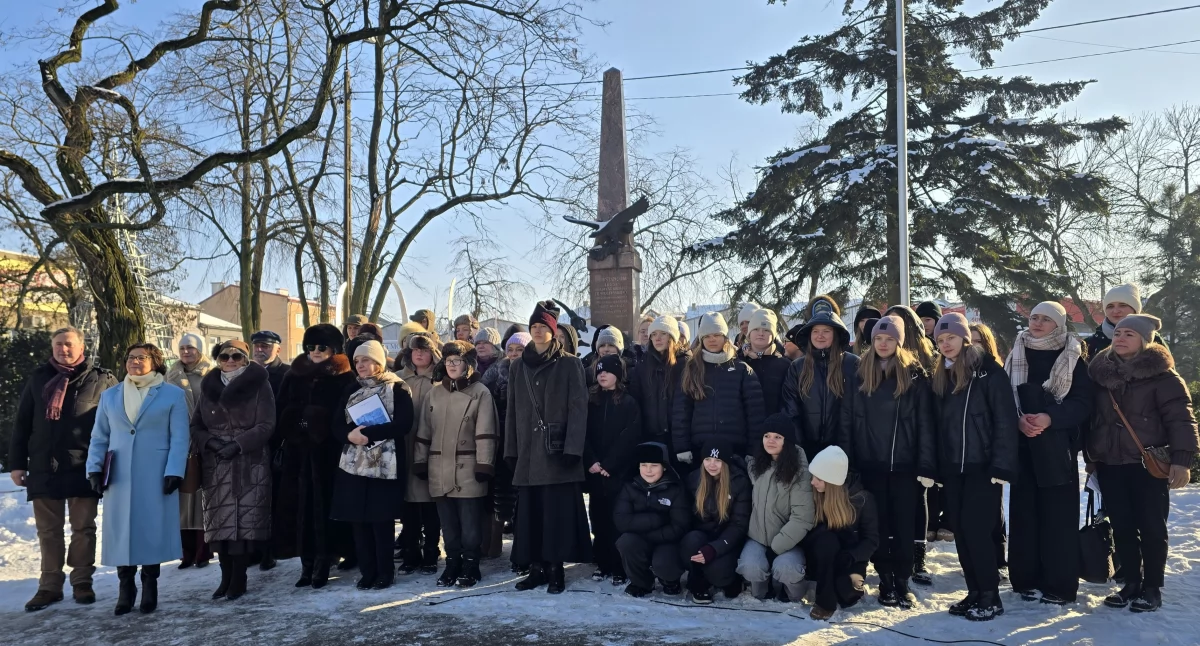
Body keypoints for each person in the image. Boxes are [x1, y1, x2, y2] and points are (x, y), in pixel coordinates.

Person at [1085, 314, 1197, 613]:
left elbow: (1181, 420)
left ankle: (1151, 588)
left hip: (1147, 464)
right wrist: (1092, 456)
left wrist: (1182, 461)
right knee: (1121, 527)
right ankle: (1130, 583)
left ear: (1145, 341)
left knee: (1151, 527)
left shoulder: (1165, 378)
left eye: (1129, 334)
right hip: (1110, 463)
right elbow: (1092, 420)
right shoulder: (1099, 376)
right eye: (1118, 332)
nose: (1120, 338)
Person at [10, 326, 116, 611]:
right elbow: (22, 424)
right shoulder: (38, 378)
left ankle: (82, 582)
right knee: (48, 531)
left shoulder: (101, 380)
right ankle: (49, 586)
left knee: (83, 528)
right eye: (58, 345)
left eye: (68, 344)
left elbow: (116, 424)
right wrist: (18, 464)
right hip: (44, 466)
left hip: (84, 466)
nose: (63, 349)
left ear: (81, 347)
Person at [839, 315, 935, 608]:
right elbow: (847, 422)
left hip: (904, 466)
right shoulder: (859, 372)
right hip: (870, 465)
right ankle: (885, 580)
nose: (883, 344)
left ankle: (903, 580)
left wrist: (926, 465)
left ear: (899, 342)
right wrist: (847, 462)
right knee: (877, 526)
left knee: (904, 525)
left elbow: (925, 424)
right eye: (879, 338)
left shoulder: (914, 374)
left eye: (889, 339)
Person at [85, 343, 188, 615]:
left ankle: (150, 584)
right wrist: (94, 469)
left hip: (156, 473)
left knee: (150, 529)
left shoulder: (172, 395)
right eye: (130, 358)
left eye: (141, 357)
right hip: (119, 475)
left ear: (155, 361)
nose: (134, 362)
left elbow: (180, 437)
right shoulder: (110, 396)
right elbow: (99, 436)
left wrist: (175, 470)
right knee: (122, 531)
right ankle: (125, 586)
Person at [1002, 302, 1091, 606]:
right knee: (1024, 516)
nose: (1038, 323)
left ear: (1059, 324)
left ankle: (1059, 584)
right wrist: (1017, 421)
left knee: (1058, 519)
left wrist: (1050, 418)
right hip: (1024, 446)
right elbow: (1004, 397)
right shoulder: (1016, 351)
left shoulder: (1074, 356)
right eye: (1034, 317)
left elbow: (1082, 402)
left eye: (1046, 319)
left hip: (1056, 448)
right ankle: (1025, 578)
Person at [931, 313, 1018, 621]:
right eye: (940, 340)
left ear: (964, 338)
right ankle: (974, 592)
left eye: (950, 338)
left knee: (979, 533)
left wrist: (1001, 465)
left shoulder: (989, 372)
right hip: (953, 468)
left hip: (983, 467)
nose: (945, 345)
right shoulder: (942, 374)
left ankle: (991, 596)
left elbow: (1005, 420)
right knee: (963, 533)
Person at [506, 300, 592, 593]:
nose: (539, 331)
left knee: (555, 514)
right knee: (530, 514)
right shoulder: (517, 366)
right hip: (529, 453)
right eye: (534, 327)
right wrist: (511, 450)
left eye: (544, 327)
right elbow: (512, 410)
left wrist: (573, 449)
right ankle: (535, 568)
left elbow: (579, 409)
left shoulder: (570, 363)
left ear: (554, 331)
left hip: (557, 453)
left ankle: (556, 569)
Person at [273, 324, 357, 588]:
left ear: (334, 349)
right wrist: (297, 425)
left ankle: (325, 560)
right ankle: (306, 562)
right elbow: (282, 409)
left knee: (328, 507)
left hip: (331, 453)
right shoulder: (293, 375)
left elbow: (348, 414)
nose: (317, 352)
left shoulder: (345, 377)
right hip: (299, 453)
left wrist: (320, 424)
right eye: (311, 347)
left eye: (322, 347)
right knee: (301, 508)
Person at [192, 341, 275, 601]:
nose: (230, 360)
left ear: (245, 359)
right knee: (218, 524)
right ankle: (224, 576)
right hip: (215, 461)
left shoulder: (260, 383)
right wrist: (212, 442)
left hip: (249, 461)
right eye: (224, 356)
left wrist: (238, 445)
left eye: (236, 356)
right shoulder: (208, 385)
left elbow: (267, 424)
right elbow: (196, 425)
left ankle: (239, 577)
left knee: (242, 523)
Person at [413, 341, 497, 588]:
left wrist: (484, 463)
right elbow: (424, 431)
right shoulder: (434, 393)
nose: (451, 365)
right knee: (447, 522)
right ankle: (452, 562)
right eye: (448, 361)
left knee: (470, 522)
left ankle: (471, 564)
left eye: (457, 361)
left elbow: (486, 430)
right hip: (439, 465)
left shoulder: (480, 392)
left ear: (468, 365)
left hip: (468, 466)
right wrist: (419, 460)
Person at [331, 340, 414, 590]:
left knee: (381, 520)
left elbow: (404, 424)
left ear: (378, 362)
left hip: (384, 464)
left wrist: (369, 433)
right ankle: (367, 571)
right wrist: (349, 435)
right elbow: (336, 424)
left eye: (365, 360)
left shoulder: (398, 389)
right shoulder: (351, 390)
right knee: (359, 520)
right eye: (357, 361)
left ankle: (384, 572)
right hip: (354, 465)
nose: (360, 365)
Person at [737, 414, 814, 601]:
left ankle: (793, 592)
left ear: (787, 441)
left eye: (777, 437)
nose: (770, 441)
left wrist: (776, 547)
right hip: (757, 538)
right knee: (750, 568)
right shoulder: (756, 464)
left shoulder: (800, 473)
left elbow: (803, 518)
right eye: (767, 436)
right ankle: (762, 591)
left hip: (788, 542)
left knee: (787, 569)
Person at [672, 312, 765, 466]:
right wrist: (682, 447)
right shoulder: (691, 369)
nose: (712, 339)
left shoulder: (742, 370)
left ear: (725, 337)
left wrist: (752, 451)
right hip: (699, 451)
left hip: (735, 452)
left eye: (717, 334)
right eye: (707, 336)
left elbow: (755, 414)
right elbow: (681, 411)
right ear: (701, 339)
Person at [802, 446, 879, 621]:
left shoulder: (863, 499)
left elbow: (871, 540)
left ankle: (835, 586)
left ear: (832, 481)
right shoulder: (815, 494)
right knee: (827, 539)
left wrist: (851, 556)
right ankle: (825, 602)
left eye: (818, 478)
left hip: (850, 559)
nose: (812, 482)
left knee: (848, 592)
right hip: (822, 555)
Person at [583, 354, 642, 584]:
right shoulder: (590, 401)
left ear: (617, 374)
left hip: (618, 474)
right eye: (599, 371)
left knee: (618, 520)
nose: (602, 375)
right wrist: (592, 461)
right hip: (596, 472)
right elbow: (584, 434)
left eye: (606, 371)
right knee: (598, 519)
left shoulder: (628, 402)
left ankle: (619, 566)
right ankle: (602, 562)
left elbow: (631, 435)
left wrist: (610, 464)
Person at [613, 442, 690, 597]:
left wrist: (648, 533)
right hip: (641, 538)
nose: (648, 470)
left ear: (664, 466)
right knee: (626, 542)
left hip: (667, 540)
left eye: (654, 465)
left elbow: (679, 526)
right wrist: (654, 520)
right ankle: (642, 583)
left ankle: (670, 580)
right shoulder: (629, 486)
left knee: (663, 561)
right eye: (644, 465)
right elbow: (621, 520)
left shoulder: (676, 488)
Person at [781, 311, 860, 462]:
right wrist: (799, 449)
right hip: (807, 450)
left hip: (845, 449)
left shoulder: (853, 364)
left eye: (826, 331)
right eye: (815, 331)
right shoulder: (798, 367)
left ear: (835, 334)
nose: (820, 336)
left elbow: (860, 409)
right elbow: (791, 411)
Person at [165, 333, 214, 571]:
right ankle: (186, 552)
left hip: (206, 441)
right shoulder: (170, 377)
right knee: (184, 500)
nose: (186, 352)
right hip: (180, 443)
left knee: (204, 498)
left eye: (191, 348)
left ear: (200, 350)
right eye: (182, 348)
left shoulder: (212, 374)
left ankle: (204, 550)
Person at [681, 439, 751, 604]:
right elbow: (686, 517)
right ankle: (698, 582)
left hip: (727, 540)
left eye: (718, 460)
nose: (712, 464)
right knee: (689, 542)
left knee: (719, 574)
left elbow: (739, 525)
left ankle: (729, 580)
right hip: (701, 536)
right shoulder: (693, 479)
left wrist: (714, 548)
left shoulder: (739, 482)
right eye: (708, 459)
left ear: (725, 462)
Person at [483, 331, 531, 569]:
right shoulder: (494, 375)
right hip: (500, 441)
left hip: (525, 443)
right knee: (498, 496)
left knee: (522, 499)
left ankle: (522, 550)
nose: (513, 354)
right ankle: (492, 546)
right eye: (510, 350)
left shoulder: (531, 373)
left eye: (519, 350)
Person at [396, 333, 443, 575]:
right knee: (409, 508)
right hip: (404, 448)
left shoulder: (441, 380)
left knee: (430, 506)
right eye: (415, 350)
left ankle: (431, 552)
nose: (419, 354)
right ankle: (411, 552)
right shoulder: (397, 380)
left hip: (432, 450)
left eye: (424, 350)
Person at [629, 315, 690, 460]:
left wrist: (683, 444)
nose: (658, 338)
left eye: (663, 333)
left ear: (673, 336)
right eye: (654, 334)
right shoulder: (643, 365)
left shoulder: (685, 364)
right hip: (650, 438)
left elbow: (686, 406)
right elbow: (635, 401)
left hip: (678, 440)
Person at [1086, 283, 1167, 358]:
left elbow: (1168, 372)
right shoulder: (1089, 344)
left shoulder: (1153, 340)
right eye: (1110, 306)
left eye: (1123, 305)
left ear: (1135, 310)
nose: (1116, 311)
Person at [739, 308, 791, 416]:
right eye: (756, 329)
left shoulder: (785, 365)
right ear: (749, 333)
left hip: (774, 429)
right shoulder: (737, 362)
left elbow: (788, 402)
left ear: (773, 335)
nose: (761, 333)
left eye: (766, 330)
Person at [251, 330, 290, 396]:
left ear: (278, 350)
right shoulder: (247, 372)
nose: (259, 349)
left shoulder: (289, 374)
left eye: (264, 346)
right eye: (256, 346)